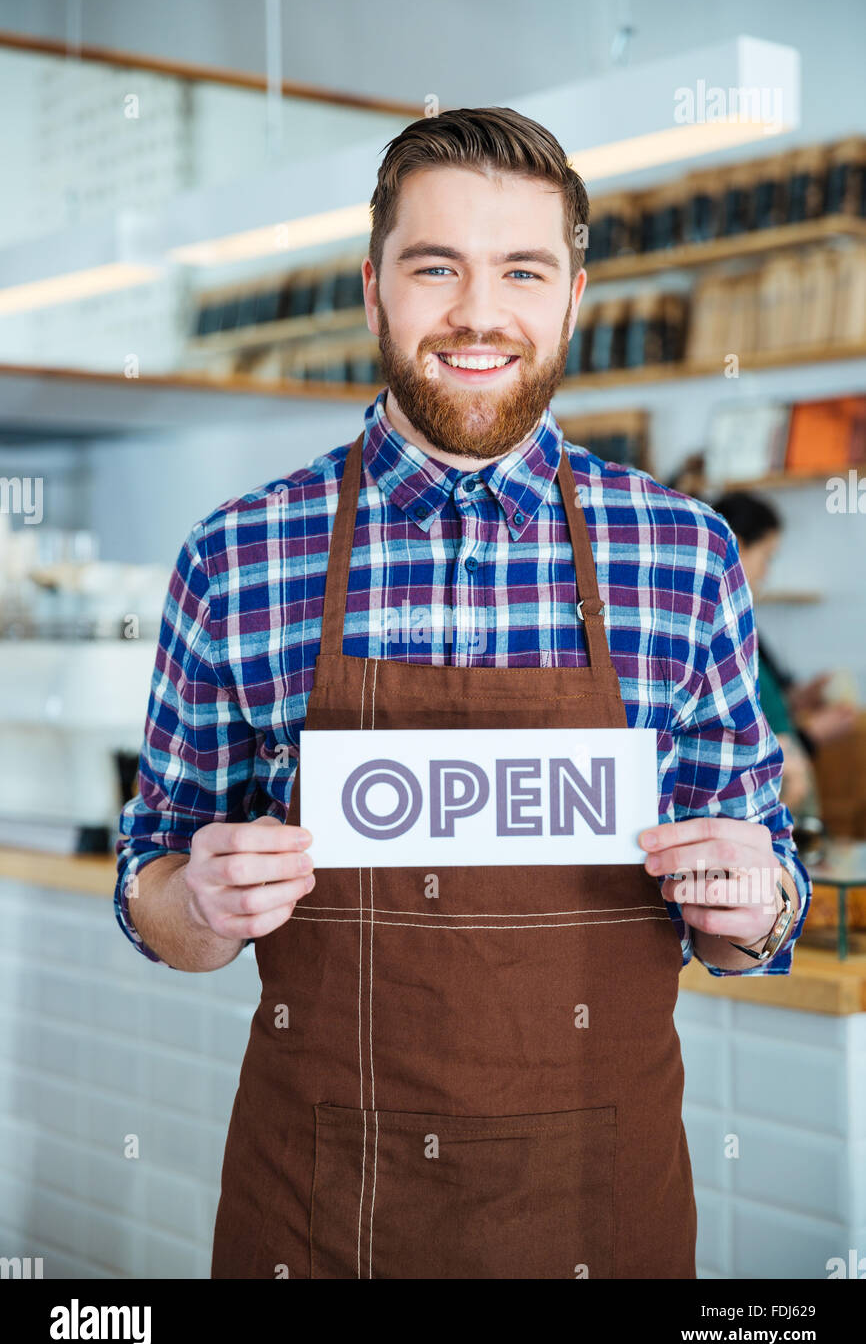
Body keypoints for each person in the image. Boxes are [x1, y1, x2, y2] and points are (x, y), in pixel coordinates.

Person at [114, 107, 811, 1281]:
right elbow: (153, 897)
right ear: (375, 291)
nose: (478, 313)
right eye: (434, 266)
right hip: (318, 1203)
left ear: (572, 296)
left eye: (521, 271)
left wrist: (754, 905)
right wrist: (202, 901)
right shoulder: (237, 557)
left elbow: (757, 899)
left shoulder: (683, 554)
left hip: (599, 1206)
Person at [710, 490, 857, 820]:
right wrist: (811, 735)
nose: (767, 572)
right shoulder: (717, 634)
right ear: (738, 547)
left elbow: (758, 709)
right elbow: (734, 742)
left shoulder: (743, 623)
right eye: (767, 557)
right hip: (769, 811)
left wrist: (797, 700)